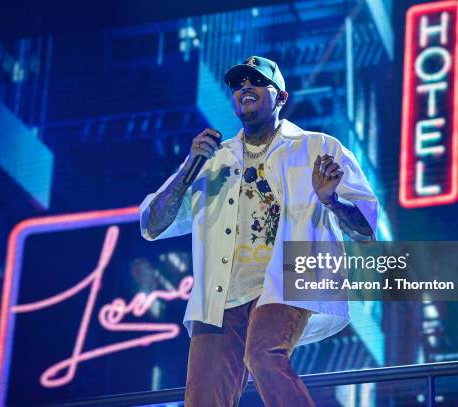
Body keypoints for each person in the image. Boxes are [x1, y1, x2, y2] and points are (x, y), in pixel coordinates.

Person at [139, 56, 378, 406]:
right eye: (238, 84)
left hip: (288, 279)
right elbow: (152, 225)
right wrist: (190, 166)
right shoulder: (213, 160)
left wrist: (331, 200)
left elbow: (366, 227)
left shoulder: (318, 148)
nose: (244, 88)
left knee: (264, 354)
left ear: (280, 97)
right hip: (218, 296)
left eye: (255, 81)